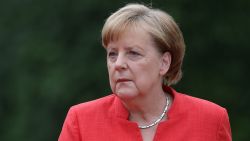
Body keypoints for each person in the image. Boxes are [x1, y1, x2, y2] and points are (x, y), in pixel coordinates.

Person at [58, 3, 232, 141]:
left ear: (164, 63)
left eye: (133, 53)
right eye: (112, 54)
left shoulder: (211, 120)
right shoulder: (81, 121)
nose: (118, 64)